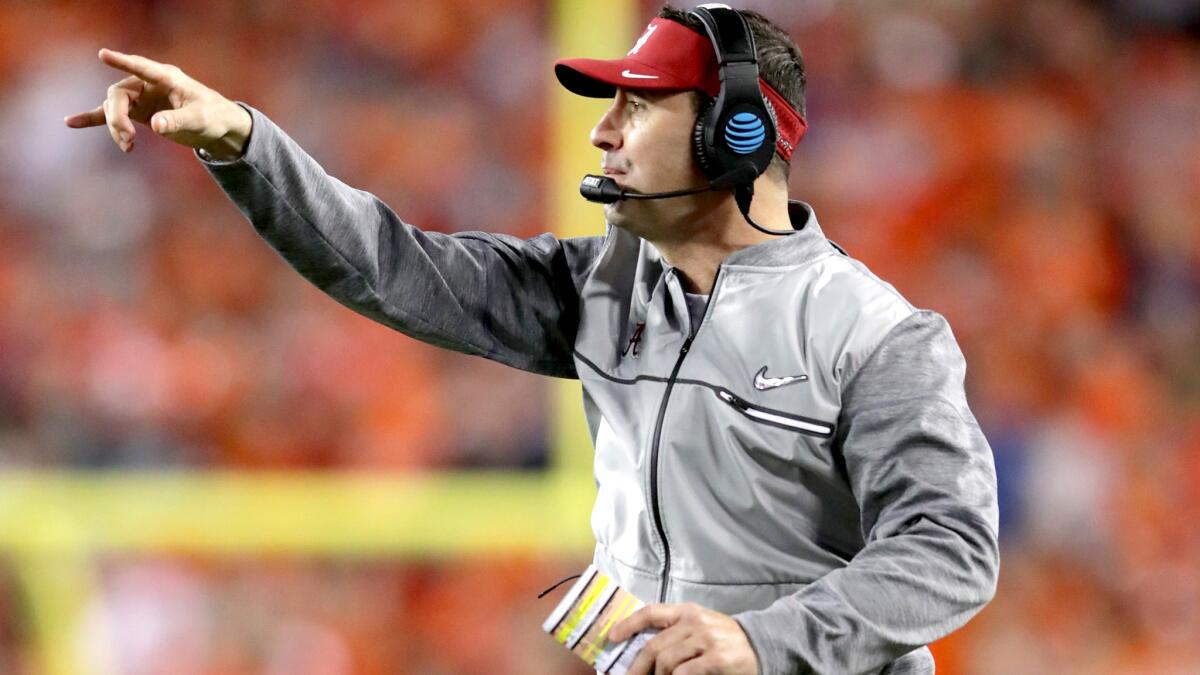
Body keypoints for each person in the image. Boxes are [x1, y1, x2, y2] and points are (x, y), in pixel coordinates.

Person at [65, 4, 999, 674]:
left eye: (637, 107)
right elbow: (390, 265)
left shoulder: (882, 338)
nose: (602, 134)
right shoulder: (598, 285)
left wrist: (763, 641)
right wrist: (241, 140)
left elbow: (951, 550)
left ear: (736, 131)